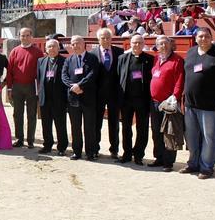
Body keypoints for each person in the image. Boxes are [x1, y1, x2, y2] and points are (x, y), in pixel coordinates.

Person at [181, 28, 215, 179]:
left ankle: (206, 168)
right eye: (200, 36)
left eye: (207, 36)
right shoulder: (191, 52)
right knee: (191, 136)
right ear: (196, 38)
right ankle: (193, 163)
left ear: (211, 38)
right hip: (191, 104)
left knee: (209, 137)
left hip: (211, 105)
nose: (203, 39)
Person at [117, 35, 154, 165]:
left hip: (142, 100)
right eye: (134, 43)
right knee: (126, 127)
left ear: (143, 44)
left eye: (139, 43)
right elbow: (118, 78)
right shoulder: (122, 58)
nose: (137, 45)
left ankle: (139, 154)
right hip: (126, 99)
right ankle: (127, 153)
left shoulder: (149, 59)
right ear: (130, 44)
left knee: (142, 128)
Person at [149, 36, 184, 172]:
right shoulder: (156, 58)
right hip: (154, 102)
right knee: (156, 131)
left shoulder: (177, 60)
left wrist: (174, 97)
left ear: (170, 44)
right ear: (156, 46)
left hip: (168, 103)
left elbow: (179, 81)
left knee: (169, 133)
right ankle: (159, 158)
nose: (162, 46)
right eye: (160, 44)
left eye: (165, 43)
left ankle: (168, 162)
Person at [61, 36, 99, 161]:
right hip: (73, 98)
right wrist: (73, 87)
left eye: (77, 43)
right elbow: (64, 76)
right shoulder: (69, 60)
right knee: (75, 126)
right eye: (73, 44)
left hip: (88, 96)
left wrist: (80, 85)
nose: (75, 46)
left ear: (84, 44)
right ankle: (77, 152)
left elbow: (92, 74)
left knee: (89, 127)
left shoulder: (92, 58)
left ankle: (90, 152)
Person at [6, 27, 44, 148]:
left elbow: (41, 71)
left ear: (31, 36)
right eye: (23, 35)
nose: (25, 38)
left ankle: (31, 140)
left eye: (27, 35)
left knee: (31, 114)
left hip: (32, 87)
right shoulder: (14, 51)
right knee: (17, 114)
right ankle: (19, 139)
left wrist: (39, 88)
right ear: (19, 37)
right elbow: (10, 71)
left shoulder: (38, 52)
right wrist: (9, 88)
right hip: (17, 86)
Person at [89, 28, 123, 159]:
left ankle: (114, 149)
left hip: (114, 94)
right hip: (98, 94)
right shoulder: (92, 54)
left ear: (111, 38)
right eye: (103, 38)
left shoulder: (119, 52)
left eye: (108, 37)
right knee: (97, 122)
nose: (105, 40)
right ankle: (95, 148)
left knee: (114, 123)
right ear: (98, 39)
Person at [37, 39, 68, 155]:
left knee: (60, 124)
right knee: (46, 124)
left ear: (58, 48)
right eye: (49, 47)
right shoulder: (41, 61)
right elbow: (39, 79)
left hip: (59, 98)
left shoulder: (65, 61)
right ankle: (47, 145)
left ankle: (61, 147)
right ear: (45, 49)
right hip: (45, 98)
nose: (52, 49)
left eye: (54, 46)